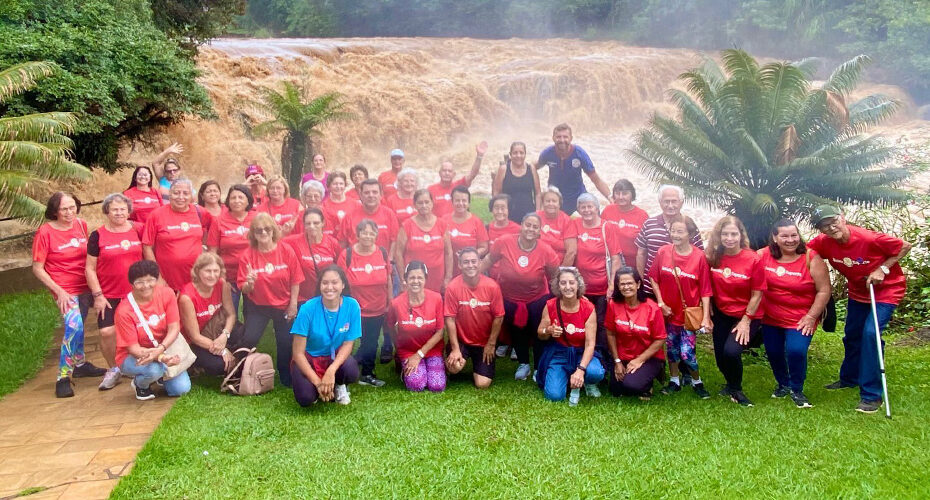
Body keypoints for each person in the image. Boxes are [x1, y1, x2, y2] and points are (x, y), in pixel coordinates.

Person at [808, 205, 911, 414]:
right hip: (858, 292)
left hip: (885, 290)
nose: (831, 228)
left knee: (870, 334)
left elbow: (905, 246)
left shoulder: (869, 238)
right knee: (853, 335)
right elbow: (804, 252)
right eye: (824, 226)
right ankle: (849, 378)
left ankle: (872, 395)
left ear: (842, 217)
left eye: (833, 221)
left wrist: (882, 268)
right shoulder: (823, 243)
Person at [33, 192, 107, 397]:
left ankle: (80, 364)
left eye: (72, 207)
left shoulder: (81, 225)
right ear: (55, 211)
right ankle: (63, 376)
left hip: (85, 285)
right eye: (64, 209)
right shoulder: (45, 232)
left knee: (81, 324)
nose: (69, 212)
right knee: (74, 326)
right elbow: (38, 268)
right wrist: (59, 291)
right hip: (64, 289)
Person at [758, 219, 832, 408]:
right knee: (773, 352)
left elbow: (824, 290)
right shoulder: (762, 255)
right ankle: (783, 384)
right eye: (784, 236)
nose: (790, 240)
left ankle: (796, 389)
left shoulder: (811, 258)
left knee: (796, 351)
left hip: (801, 318)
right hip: (771, 316)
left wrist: (811, 317)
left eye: (794, 235)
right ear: (775, 238)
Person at [482, 213, 559, 380]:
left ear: (539, 231)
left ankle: (539, 367)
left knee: (539, 332)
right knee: (517, 331)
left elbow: (554, 276)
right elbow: (488, 260)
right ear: (521, 225)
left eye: (535, 227)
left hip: (537, 299)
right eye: (528, 225)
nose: (530, 229)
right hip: (509, 298)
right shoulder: (504, 242)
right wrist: (473, 277)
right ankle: (524, 364)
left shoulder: (546, 250)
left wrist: (555, 301)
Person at [648, 217, 712, 399]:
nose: (675, 235)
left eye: (680, 231)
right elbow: (653, 277)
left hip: (688, 315)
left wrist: (706, 317)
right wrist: (660, 303)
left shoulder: (699, 256)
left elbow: (705, 290)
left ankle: (697, 381)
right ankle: (674, 381)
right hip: (668, 313)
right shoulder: (663, 252)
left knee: (687, 352)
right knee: (672, 349)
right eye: (673, 231)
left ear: (690, 234)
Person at [705, 216, 766, 406]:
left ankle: (737, 389)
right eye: (725, 234)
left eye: (733, 234)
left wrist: (746, 321)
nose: (729, 238)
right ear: (719, 235)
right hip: (722, 313)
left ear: (741, 235)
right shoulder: (713, 257)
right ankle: (730, 383)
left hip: (748, 314)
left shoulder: (752, 259)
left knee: (731, 352)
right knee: (720, 357)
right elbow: (706, 285)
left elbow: (757, 294)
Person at [85, 193, 143, 390]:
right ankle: (114, 369)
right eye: (114, 209)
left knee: (141, 331)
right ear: (107, 212)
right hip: (109, 294)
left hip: (136, 294)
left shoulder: (138, 229)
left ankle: (141, 366)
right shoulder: (97, 235)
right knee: (107, 331)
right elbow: (89, 269)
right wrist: (98, 296)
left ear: (129, 211)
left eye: (122, 209)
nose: (119, 213)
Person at [238, 213, 303, 387]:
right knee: (249, 339)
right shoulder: (248, 255)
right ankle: (241, 371)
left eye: (267, 229)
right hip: (258, 305)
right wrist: (250, 283)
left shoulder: (285, 250)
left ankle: (285, 375)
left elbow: (296, 279)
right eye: (258, 230)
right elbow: (243, 288)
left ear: (273, 230)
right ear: (253, 233)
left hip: (283, 305)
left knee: (285, 341)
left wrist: (293, 305)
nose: (263, 233)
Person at [114, 260, 191, 400]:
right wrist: (161, 357)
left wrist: (162, 349)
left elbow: (174, 328)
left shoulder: (167, 294)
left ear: (157, 279)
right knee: (154, 370)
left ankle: (161, 374)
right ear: (131, 284)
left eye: (151, 280)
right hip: (133, 356)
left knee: (181, 389)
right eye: (139, 282)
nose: (146, 286)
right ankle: (140, 384)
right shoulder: (123, 311)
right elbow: (133, 349)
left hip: (163, 347)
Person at [290, 265, 361, 406]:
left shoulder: (352, 306)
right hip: (309, 359)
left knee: (351, 370)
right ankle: (320, 388)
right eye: (325, 283)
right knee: (306, 399)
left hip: (334, 358)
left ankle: (339, 385)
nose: (329, 287)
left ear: (343, 285)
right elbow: (298, 354)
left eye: (334, 282)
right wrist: (318, 383)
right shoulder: (307, 309)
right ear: (320, 285)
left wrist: (331, 370)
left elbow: (348, 344)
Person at [535, 267, 605, 405]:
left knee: (595, 372)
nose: (568, 287)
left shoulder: (588, 308)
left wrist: (581, 370)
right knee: (554, 396)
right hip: (559, 353)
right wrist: (548, 331)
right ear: (558, 286)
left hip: (581, 352)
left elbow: (590, 344)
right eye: (563, 283)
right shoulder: (550, 305)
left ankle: (587, 381)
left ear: (578, 284)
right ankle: (565, 376)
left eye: (571, 283)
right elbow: (540, 333)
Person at [338, 219, 392, 387]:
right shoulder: (346, 255)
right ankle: (340, 372)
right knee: (346, 341)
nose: (368, 236)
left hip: (377, 308)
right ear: (358, 234)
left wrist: (389, 301)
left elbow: (389, 278)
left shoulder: (382, 253)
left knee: (371, 342)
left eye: (371, 233)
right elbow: (339, 283)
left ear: (376, 235)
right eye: (364, 232)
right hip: (354, 309)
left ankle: (367, 374)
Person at [571, 193, 623, 361]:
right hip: (580, 288)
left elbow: (615, 258)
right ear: (578, 209)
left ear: (597, 208)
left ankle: (600, 359)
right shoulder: (575, 224)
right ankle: (581, 356)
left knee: (601, 324)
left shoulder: (606, 227)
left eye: (590, 206)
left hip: (601, 288)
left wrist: (612, 285)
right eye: (583, 207)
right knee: (581, 321)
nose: (587, 210)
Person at [444, 247, 505, 389]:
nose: (470, 265)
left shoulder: (492, 286)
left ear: (480, 262)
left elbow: (499, 317)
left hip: (484, 343)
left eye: (473, 261)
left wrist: (491, 344)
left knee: (482, 384)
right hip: (462, 341)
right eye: (466, 262)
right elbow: (450, 319)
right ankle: (455, 360)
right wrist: (455, 348)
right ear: (459, 265)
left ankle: (478, 367)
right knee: (454, 368)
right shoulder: (453, 287)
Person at [605, 267, 666, 399]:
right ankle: (634, 376)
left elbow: (660, 339)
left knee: (632, 386)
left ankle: (650, 380)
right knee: (616, 390)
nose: (626, 287)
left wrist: (639, 360)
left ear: (638, 284)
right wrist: (617, 362)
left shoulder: (652, 308)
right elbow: (610, 333)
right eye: (622, 284)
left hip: (648, 357)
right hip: (623, 356)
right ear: (618, 286)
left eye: (630, 283)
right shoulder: (613, 304)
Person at [385, 261, 446, 392]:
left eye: (420, 277)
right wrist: (399, 348)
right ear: (405, 279)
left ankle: (432, 366)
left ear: (426, 279)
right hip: (408, 350)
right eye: (412, 277)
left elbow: (440, 332)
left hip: (432, 349)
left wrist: (419, 355)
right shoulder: (396, 303)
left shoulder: (436, 299)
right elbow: (390, 327)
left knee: (437, 386)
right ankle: (404, 368)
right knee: (416, 385)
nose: (416, 281)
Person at [635, 185, 704, 297]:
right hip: (650, 288)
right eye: (666, 201)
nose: (670, 205)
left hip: (681, 290)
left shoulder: (690, 226)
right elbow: (641, 253)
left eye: (674, 201)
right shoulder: (649, 224)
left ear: (681, 202)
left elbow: (700, 258)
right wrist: (641, 281)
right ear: (660, 202)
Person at [142, 178, 210, 291]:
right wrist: (157, 276)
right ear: (169, 194)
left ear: (191, 196)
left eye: (185, 193)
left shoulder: (200, 212)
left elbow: (213, 230)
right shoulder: (156, 215)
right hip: (167, 281)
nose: (181, 197)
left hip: (196, 279)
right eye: (176, 193)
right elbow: (147, 247)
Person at [178, 252, 240, 376]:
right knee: (220, 366)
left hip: (214, 329)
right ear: (197, 271)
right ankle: (194, 364)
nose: (212, 275)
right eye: (207, 271)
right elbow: (194, 337)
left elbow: (231, 315)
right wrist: (222, 350)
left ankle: (235, 355)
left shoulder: (222, 284)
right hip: (193, 341)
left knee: (247, 336)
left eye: (216, 271)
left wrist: (224, 335)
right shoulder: (187, 297)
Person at [535, 123, 610, 213]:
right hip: (555, 199)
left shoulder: (579, 154)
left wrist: (610, 197)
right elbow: (534, 167)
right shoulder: (547, 153)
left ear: (571, 138)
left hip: (577, 197)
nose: (562, 140)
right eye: (558, 137)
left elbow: (596, 179)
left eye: (565, 137)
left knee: (593, 214)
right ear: (553, 138)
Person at [206, 185, 255, 313]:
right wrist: (221, 278)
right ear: (228, 200)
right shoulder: (219, 221)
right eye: (233, 198)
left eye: (240, 197)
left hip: (252, 276)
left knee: (252, 317)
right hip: (228, 277)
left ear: (248, 200)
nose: (236, 201)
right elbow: (212, 253)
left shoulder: (257, 218)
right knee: (228, 315)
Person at [395, 189, 453, 294]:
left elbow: (448, 252)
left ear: (432, 203)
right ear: (414, 205)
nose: (424, 205)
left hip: (436, 279)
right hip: (414, 279)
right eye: (420, 203)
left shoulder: (441, 224)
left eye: (427, 202)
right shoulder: (407, 225)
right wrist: (403, 279)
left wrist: (448, 277)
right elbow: (398, 254)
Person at [283, 208, 342, 304]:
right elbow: (274, 245)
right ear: (304, 225)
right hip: (303, 299)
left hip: (327, 297)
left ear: (323, 223)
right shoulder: (294, 241)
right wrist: (283, 233)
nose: (312, 226)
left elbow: (340, 269)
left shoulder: (332, 243)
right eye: (308, 223)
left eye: (316, 223)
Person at [339, 179, 399, 254]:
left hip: (382, 263)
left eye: (375, 192)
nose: (371, 195)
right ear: (360, 195)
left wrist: (390, 260)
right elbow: (342, 244)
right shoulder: (349, 216)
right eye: (367, 193)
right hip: (356, 263)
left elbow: (394, 241)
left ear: (381, 195)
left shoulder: (389, 214)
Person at [428, 142, 486, 217]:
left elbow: (472, 174)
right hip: (438, 226)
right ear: (439, 173)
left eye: (449, 171)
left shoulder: (459, 186)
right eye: (444, 170)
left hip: (456, 225)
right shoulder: (431, 189)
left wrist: (479, 156)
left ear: (454, 174)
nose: (447, 173)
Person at [601, 179, 649, 268]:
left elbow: (646, 244)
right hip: (610, 261)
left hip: (633, 264)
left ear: (632, 195)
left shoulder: (642, 215)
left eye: (625, 193)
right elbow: (599, 233)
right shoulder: (608, 210)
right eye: (617, 193)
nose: (621, 197)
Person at [493, 141, 541, 223]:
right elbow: (496, 192)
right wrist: (498, 211)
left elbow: (538, 193)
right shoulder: (503, 169)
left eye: (521, 153)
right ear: (510, 154)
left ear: (525, 154)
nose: (518, 156)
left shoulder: (531, 169)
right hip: (508, 214)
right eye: (515, 153)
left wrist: (537, 212)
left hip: (529, 214)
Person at [443, 185, 489, 259]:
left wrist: (468, 256)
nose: (461, 203)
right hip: (449, 266)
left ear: (469, 203)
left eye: (464, 201)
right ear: (452, 201)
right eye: (457, 200)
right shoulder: (444, 220)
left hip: (469, 266)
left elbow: (484, 247)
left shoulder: (476, 221)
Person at [536, 187, 577, 266]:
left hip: (557, 266)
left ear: (559, 204)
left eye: (554, 201)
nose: (551, 203)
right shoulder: (536, 217)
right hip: (536, 264)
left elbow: (571, 252)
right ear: (543, 203)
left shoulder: (567, 221)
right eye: (547, 201)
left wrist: (561, 273)